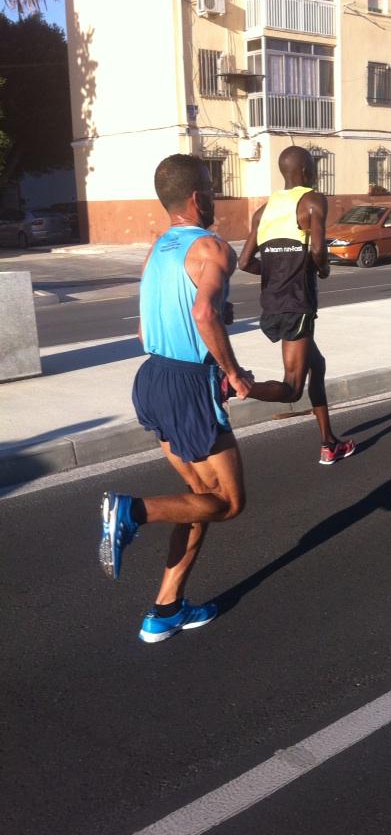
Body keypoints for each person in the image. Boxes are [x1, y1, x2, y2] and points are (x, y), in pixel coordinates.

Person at [99, 154, 255, 642]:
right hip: (189, 385)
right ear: (196, 198)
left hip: (151, 380)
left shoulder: (157, 248)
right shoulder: (213, 248)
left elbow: (150, 324)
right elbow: (204, 312)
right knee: (228, 502)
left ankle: (164, 610)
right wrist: (234, 372)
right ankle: (132, 511)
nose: (213, 195)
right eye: (210, 186)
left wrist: (210, 319)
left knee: (197, 501)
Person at [239, 146, 355, 466]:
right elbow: (318, 248)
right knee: (292, 389)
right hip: (297, 304)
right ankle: (235, 386)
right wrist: (323, 268)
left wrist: (276, 272)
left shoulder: (263, 211)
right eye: (314, 166)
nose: (316, 172)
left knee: (317, 366)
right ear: (304, 170)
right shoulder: (313, 200)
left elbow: (245, 261)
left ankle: (328, 443)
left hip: (273, 303)